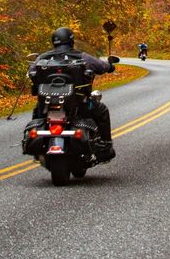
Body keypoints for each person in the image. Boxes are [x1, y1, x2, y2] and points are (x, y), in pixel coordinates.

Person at [29, 26, 116, 161]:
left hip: (47, 104)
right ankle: (105, 147)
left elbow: (31, 71)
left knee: (37, 111)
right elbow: (101, 66)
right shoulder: (82, 56)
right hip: (79, 103)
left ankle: (39, 149)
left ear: (54, 41)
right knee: (102, 110)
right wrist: (110, 66)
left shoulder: (43, 58)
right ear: (71, 41)